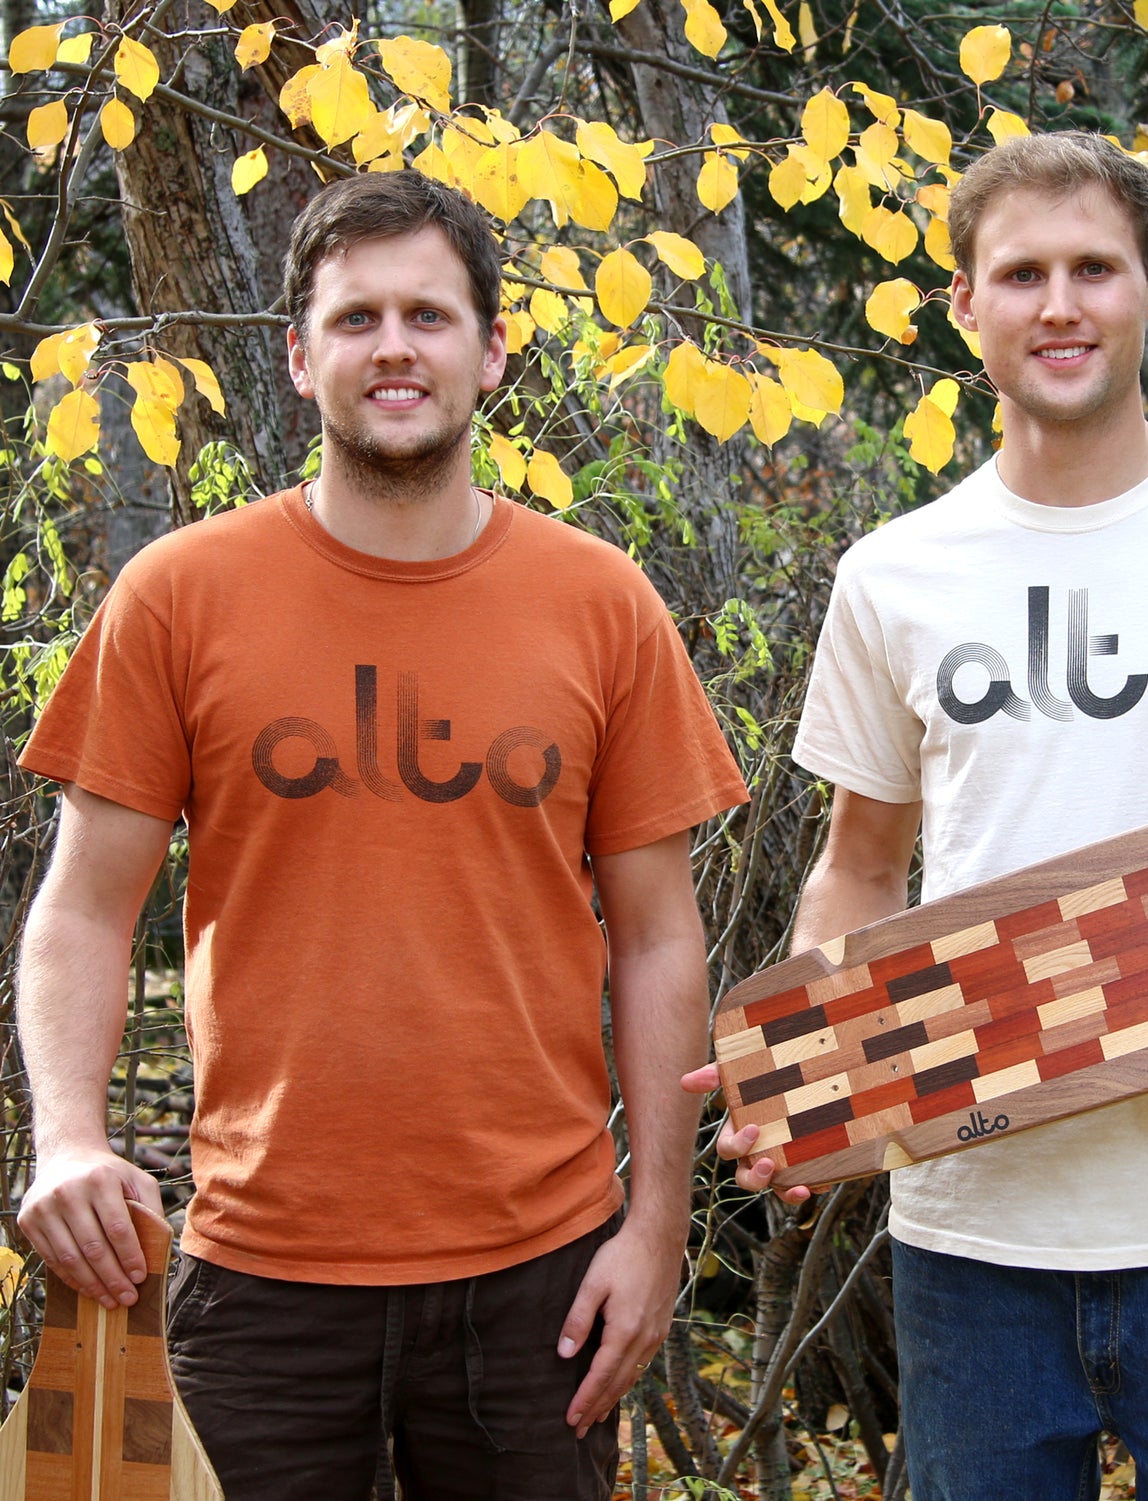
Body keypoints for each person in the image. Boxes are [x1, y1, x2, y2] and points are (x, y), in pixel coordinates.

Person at [687, 131, 1148, 1498]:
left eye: (1094, 267)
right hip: (972, 1236)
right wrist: (808, 1069)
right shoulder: (895, 572)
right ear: (966, 306)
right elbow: (861, 867)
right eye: (1021, 273)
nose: (1061, 304)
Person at [17, 171, 747, 1501]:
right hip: (259, 1274)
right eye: (356, 319)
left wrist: (656, 1227)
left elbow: (655, 940)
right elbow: (80, 907)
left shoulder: (601, 604)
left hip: (543, 1277)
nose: (395, 346)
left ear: (492, 350)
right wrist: (68, 1133)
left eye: (429, 312)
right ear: (300, 357)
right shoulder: (180, 597)